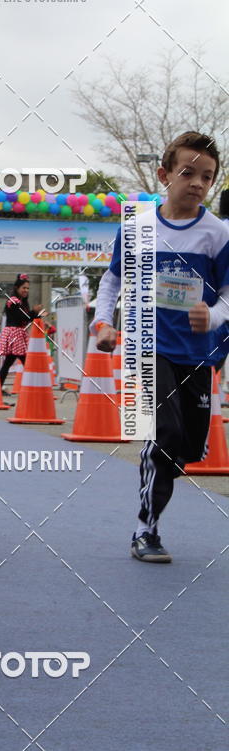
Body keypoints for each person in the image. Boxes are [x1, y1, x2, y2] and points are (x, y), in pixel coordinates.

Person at [94, 131, 229, 562]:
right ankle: (145, 530)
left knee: (187, 448)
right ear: (164, 174)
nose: (196, 182)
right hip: (148, 347)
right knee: (165, 433)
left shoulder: (217, 233)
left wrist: (215, 315)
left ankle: (162, 467)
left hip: (197, 354)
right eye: (187, 172)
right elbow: (112, 278)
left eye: (206, 177)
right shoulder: (139, 224)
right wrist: (103, 320)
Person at [0, 274, 43, 394]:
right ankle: (35, 387)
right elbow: (23, 317)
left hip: (17, 333)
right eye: (24, 288)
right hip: (15, 333)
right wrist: (34, 312)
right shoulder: (14, 301)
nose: (26, 290)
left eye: (28, 288)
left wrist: (37, 314)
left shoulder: (20, 302)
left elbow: (26, 318)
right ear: (17, 288)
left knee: (10, 363)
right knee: (25, 362)